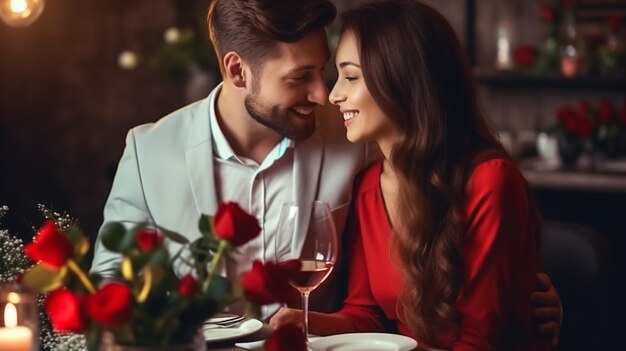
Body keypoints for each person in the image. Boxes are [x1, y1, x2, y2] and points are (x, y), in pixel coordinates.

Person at [90, 0, 560, 338]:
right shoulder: (150, 150)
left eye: (330, 72)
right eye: (300, 78)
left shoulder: (357, 139)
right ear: (237, 72)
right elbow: (109, 285)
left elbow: (440, 168)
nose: (324, 94)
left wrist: (524, 297)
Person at [269, 0, 555, 349]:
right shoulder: (368, 187)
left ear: (403, 78)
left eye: (352, 77)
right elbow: (365, 315)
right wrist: (303, 320)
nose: (333, 95)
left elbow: (479, 340)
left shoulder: (489, 181)